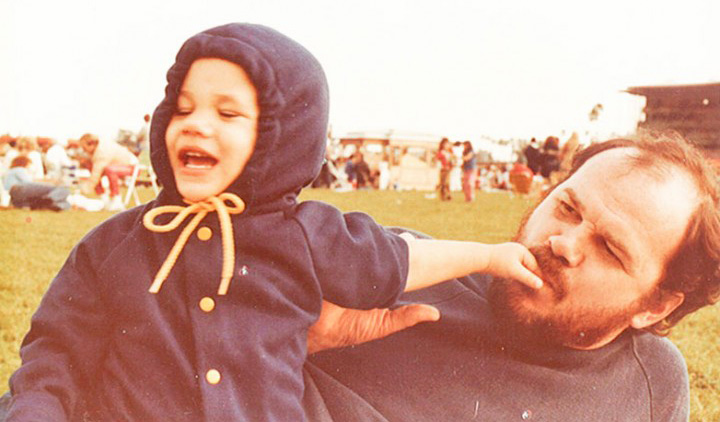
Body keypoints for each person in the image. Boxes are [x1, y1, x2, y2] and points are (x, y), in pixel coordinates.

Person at [3, 23, 544, 422]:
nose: (196, 126)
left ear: (283, 134)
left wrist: (490, 256)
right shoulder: (113, 246)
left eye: (228, 113)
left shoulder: (307, 235)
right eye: (184, 108)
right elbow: (56, 353)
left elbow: (397, 259)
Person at [303, 134, 720, 421]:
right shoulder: (387, 269)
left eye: (610, 249)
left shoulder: (649, 385)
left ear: (656, 306)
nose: (564, 243)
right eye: (568, 208)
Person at [78, 133, 138, 211]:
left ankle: (116, 199)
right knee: (92, 166)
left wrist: (84, 189)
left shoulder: (103, 152)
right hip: (118, 167)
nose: (83, 150)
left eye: (84, 148)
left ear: (91, 144)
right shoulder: (96, 150)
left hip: (132, 167)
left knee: (109, 170)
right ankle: (104, 198)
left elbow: (96, 175)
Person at [2, 156, 71, 211]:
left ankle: (53, 204)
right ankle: (49, 199)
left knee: (67, 203)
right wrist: (49, 183)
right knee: (64, 189)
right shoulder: (19, 169)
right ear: (25, 163)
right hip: (19, 189)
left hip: (15, 197)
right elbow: (29, 182)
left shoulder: (10, 171)